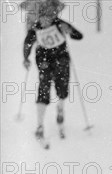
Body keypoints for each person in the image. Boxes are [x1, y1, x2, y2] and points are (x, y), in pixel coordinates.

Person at [22, 2, 82, 141]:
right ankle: (40, 125)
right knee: (44, 87)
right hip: (44, 60)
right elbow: (27, 43)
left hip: (61, 59)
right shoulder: (36, 28)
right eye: (44, 16)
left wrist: (70, 30)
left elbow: (78, 36)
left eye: (50, 15)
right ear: (40, 16)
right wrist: (26, 58)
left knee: (62, 87)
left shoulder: (59, 23)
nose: (46, 20)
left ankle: (60, 109)